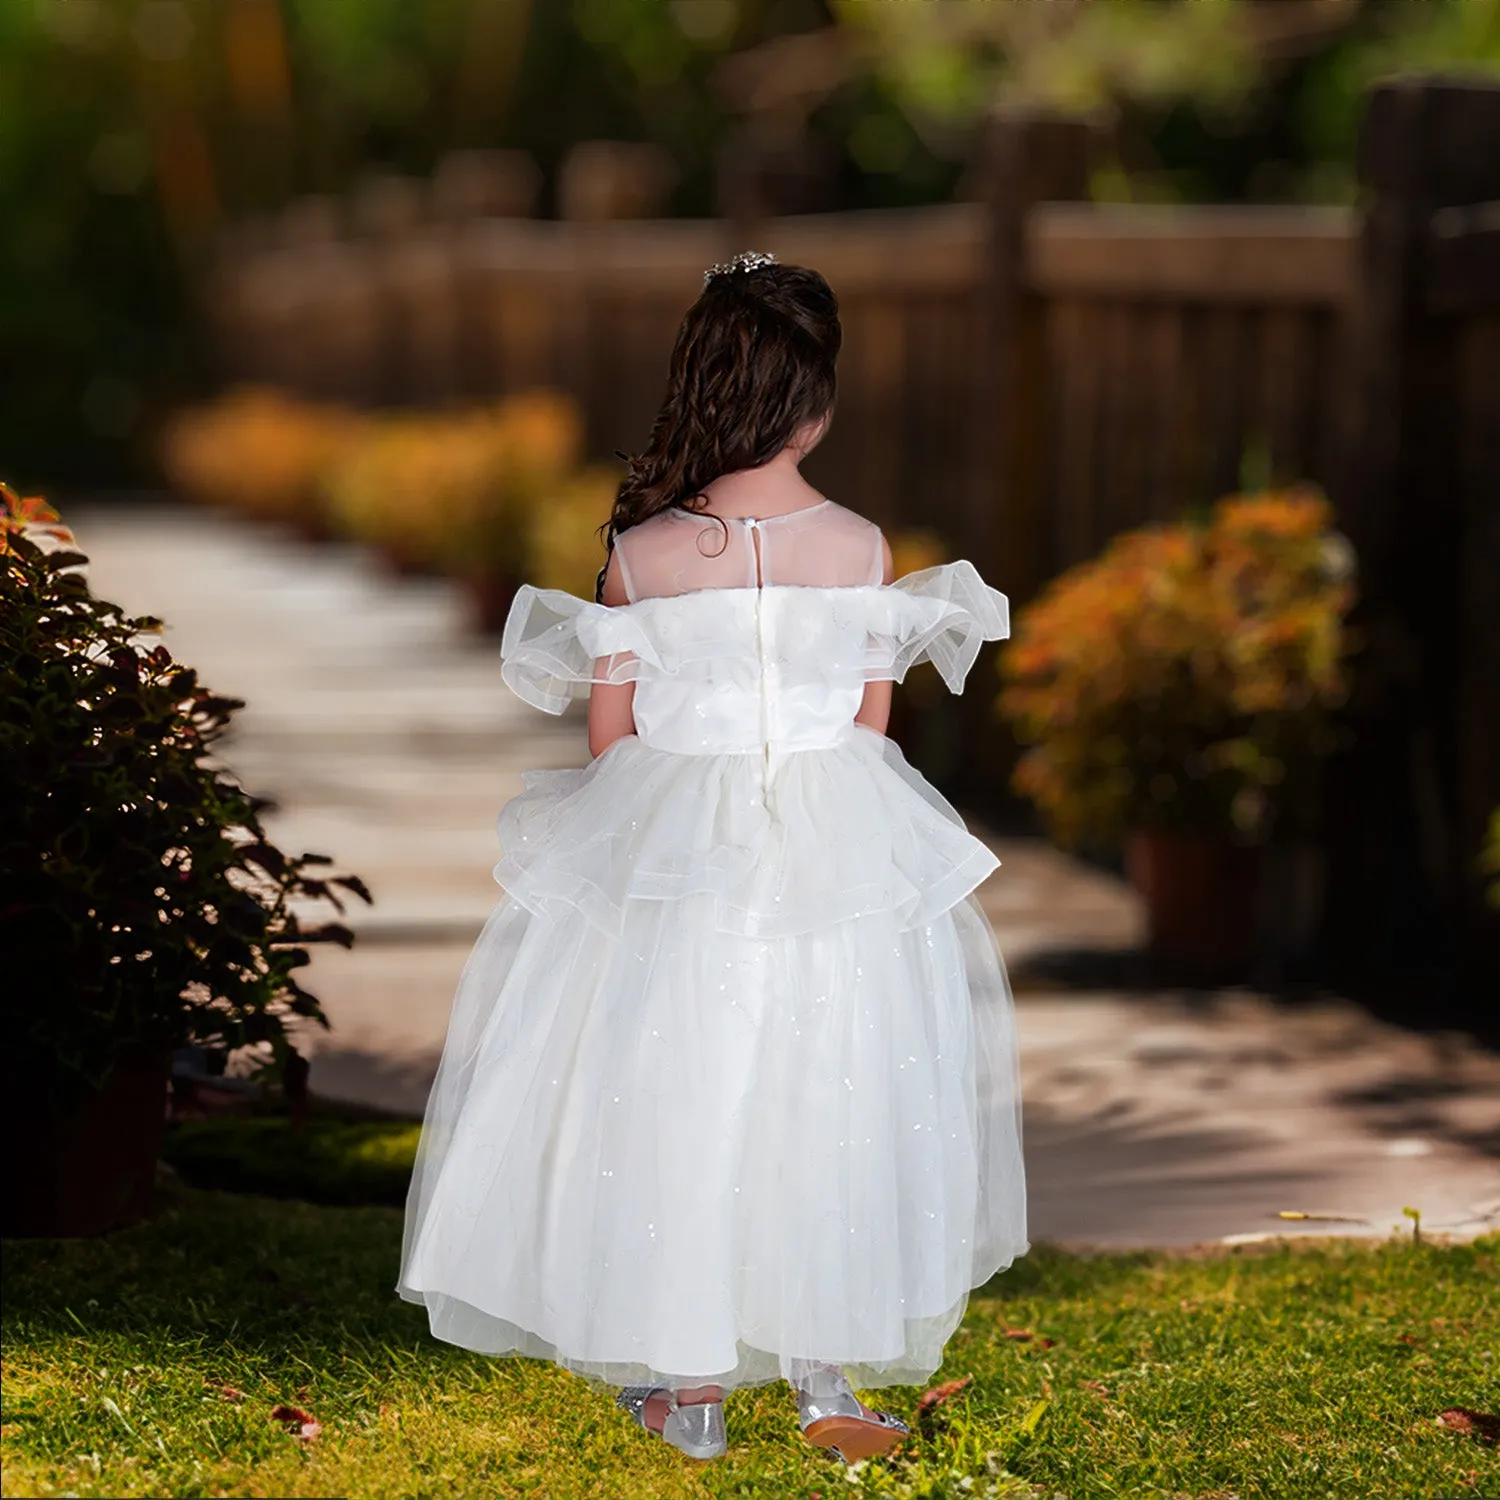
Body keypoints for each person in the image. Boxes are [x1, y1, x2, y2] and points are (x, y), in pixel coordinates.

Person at [396, 252, 1029, 1465]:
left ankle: (690, 1393)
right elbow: (867, 725)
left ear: (704, 391)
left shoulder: (640, 552)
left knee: (682, 1095)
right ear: (817, 401)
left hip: (677, 849)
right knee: (830, 1083)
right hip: (829, 841)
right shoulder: (856, 545)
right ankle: (823, 1373)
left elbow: (608, 731)